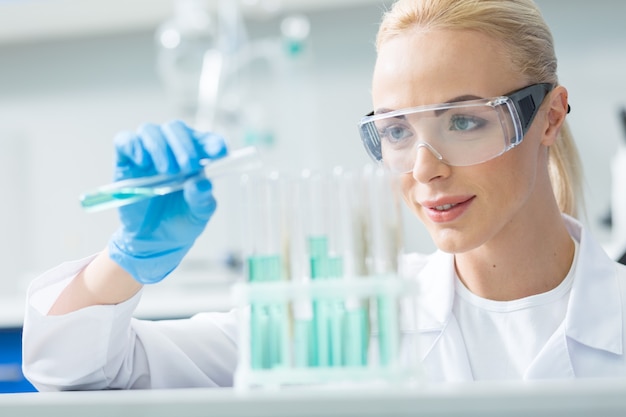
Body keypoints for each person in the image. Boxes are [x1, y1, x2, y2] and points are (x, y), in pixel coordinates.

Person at [22, 0, 626, 390]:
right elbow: (76, 371)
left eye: (464, 121)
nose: (424, 169)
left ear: (549, 117)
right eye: (395, 131)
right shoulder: (340, 322)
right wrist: (125, 262)